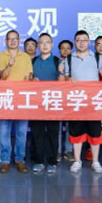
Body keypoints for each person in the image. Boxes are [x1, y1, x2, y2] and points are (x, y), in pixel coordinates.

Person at [63, 30, 102, 173]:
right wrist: (68, 79)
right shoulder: (69, 59)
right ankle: (77, 161)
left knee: (95, 132)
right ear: (75, 42)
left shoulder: (96, 57)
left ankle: (96, 161)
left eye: (84, 40)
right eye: (78, 40)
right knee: (76, 132)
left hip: (93, 101)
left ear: (89, 42)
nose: (81, 43)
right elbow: (65, 78)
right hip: (76, 101)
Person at [0, 30, 33, 173]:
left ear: (19, 40)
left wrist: (29, 81)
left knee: (21, 132)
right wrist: (9, 65)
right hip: (5, 98)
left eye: (15, 39)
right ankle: (5, 160)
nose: (12, 41)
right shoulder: (1, 56)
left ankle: (19, 160)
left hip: (22, 99)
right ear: (6, 41)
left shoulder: (25, 57)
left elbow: (28, 77)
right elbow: (3, 76)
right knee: (4, 131)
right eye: (9, 39)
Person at [30, 33, 61, 173]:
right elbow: (27, 80)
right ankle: (39, 161)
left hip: (53, 103)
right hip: (36, 104)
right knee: (37, 133)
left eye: (47, 42)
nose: (44, 45)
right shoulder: (33, 61)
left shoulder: (57, 61)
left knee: (53, 133)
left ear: (52, 45)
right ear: (38, 45)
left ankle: (52, 161)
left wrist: (62, 76)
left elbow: (64, 82)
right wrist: (31, 81)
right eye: (41, 42)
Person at [58, 39, 74, 161]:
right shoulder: (55, 61)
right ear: (59, 50)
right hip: (57, 98)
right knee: (57, 127)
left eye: (68, 48)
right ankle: (57, 151)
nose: (65, 50)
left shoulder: (75, 62)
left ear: (71, 50)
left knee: (70, 126)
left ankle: (68, 150)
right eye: (63, 48)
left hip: (71, 98)